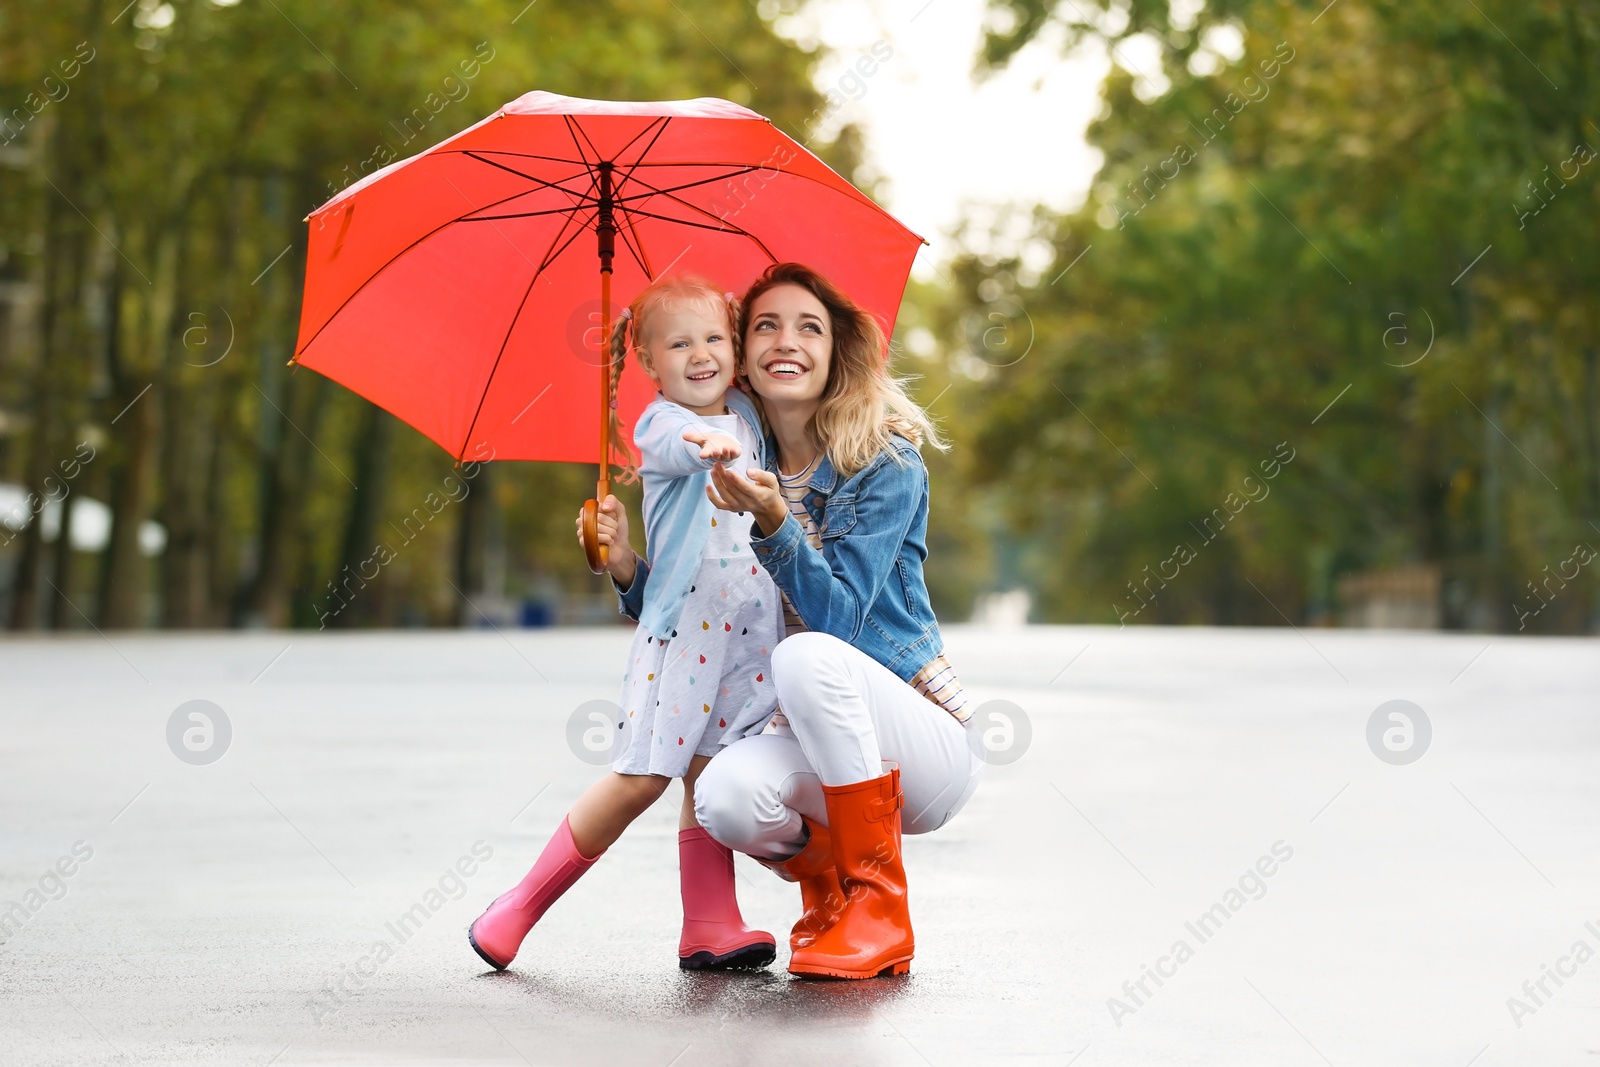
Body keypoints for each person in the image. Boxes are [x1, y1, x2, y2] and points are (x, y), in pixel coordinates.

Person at [586, 262, 982, 981]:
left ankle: (880, 908)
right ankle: (829, 896)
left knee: (802, 657)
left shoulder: (884, 462)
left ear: (835, 352)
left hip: (921, 740)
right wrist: (624, 566)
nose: (785, 340)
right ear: (743, 355)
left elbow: (840, 622)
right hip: (815, 738)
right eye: (765, 324)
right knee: (722, 795)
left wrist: (775, 521)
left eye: (809, 326)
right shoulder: (734, 453)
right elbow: (697, 617)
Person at [469, 276, 782, 973]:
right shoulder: (664, 424)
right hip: (684, 638)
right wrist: (707, 444)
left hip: (748, 639)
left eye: (712, 339)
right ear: (647, 360)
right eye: (678, 343)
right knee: (642, 776)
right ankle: (518, 904)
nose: (699, 355)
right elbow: (682, 444)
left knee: (711, 774)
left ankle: (708, 922)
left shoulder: (748, 416)